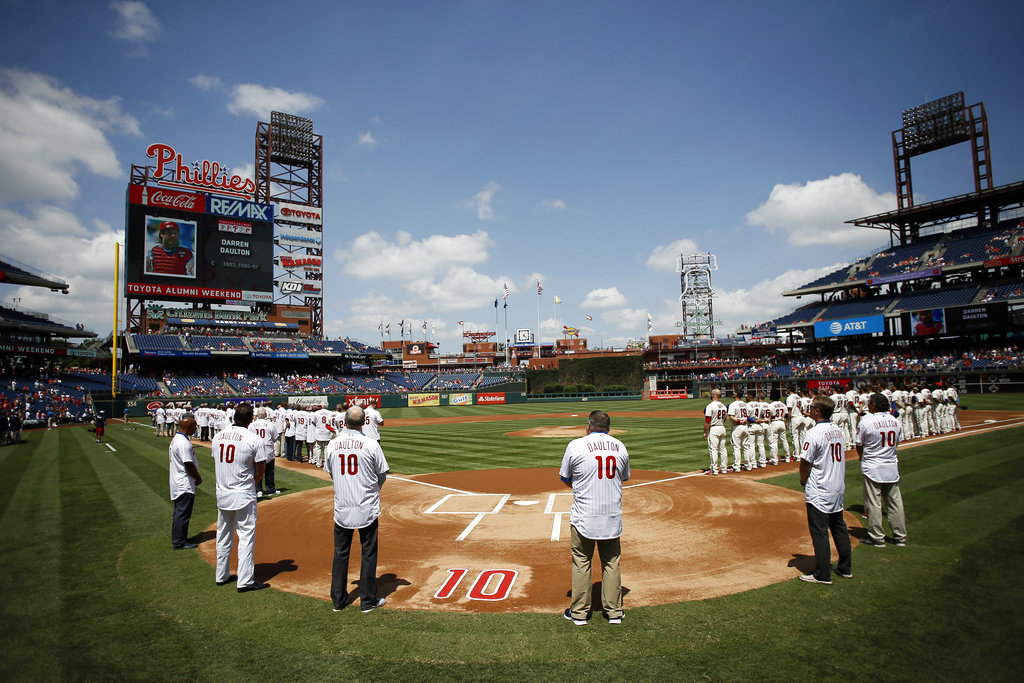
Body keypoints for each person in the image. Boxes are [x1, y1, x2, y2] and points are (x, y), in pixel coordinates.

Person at [559, 410, 630, 625]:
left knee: (581, 562)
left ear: (588, 426)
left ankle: (580, 613)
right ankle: (614, 612)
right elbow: (623, 477)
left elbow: (565, 477)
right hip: (611, 516)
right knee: (611, 562)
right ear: (609, 428)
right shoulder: (620, 446)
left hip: (584, 516)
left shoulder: (575, 445)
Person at [325, 405, 390, 613]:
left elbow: (331, 473)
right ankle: (367, 601)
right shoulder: (371, 444)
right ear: (364, 423)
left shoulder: (332, 445)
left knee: (340, 554)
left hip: (342, 506)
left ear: (344, 422)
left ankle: (338, 600)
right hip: (366, 505)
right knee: (368, 554)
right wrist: (373, 490)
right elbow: (382, 474)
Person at [211, 402, 269, 592]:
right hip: (243, 492)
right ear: (251, 419)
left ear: (233, 417)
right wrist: (254, 481)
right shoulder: (253, 439)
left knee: (223, 534)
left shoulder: (218, 436)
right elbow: (261, 467)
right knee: (246, 535)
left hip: (222, 491)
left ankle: (221, 574)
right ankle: (245, 580)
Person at [798, 395, 852, 585]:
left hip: (820, 486)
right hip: (837, 485)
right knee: (839, 527)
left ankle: (822, 574)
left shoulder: (814, 432)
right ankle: (845, 568)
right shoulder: (837, 430)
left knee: (819, 531)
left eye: (812, 407)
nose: (810, 409)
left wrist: (803, 481)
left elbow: (805, 462)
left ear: (818, 411)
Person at [856, 393, 907, 547]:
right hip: (891, 464)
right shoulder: (894, 421)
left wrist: (861, 457)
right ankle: (900, 536)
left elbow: (859, 444)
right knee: (895, 502)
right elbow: (897, 441)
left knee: (873, 502)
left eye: (870, 402)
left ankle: (877, 537)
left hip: (873, 465)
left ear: (874, 405)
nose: (868, 404)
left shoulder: (866, 421)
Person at [169, 415, 202, 549]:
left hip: (179, 480)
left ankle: (180, 538)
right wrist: (198, 478)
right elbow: (188, 463)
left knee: (180, 512)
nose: (195, 429)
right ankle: (179, 542)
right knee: (182, 513)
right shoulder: (183, 443)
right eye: (194, 426)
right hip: (184, 482)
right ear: (188, 427)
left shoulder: (178, 439)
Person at [249, 407, 280, 497]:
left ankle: (258, 490)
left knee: (257, 470)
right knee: (269, 471)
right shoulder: (270, 424)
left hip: (256, 450)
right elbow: (275, 437)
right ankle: (270, 490)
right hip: (268, 449)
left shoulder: (252, 425)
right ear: (266, 415)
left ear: (257, 415)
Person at [703, 388, 728, 475]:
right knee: (723, 449)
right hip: (722, 427)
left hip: (714, 429)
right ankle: (724, 468)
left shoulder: (710, 406)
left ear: (713, 395)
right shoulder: (724, 406)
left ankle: (714, 469)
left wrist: (705, 432)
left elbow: (707, 421)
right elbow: (725, 419)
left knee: (713, 449)